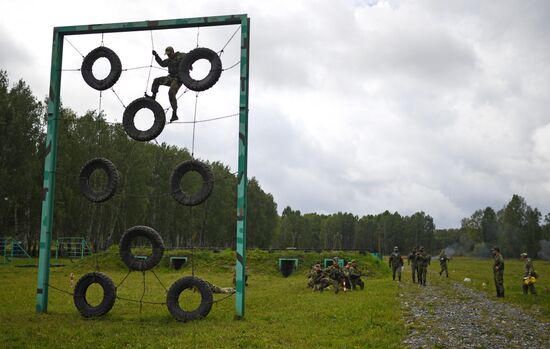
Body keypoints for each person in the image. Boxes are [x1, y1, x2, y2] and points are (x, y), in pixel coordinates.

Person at [146, 46, 187, 122]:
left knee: (171, 92)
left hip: (179, 78)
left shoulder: (181, 55)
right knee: (156, 80)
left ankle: (174, 113)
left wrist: (189, 65)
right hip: (170, 77)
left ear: (172, 52)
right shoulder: (168, 60)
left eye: (169, 54)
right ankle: (153, 96)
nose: (168, 55)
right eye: (167, 54)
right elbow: (162, 63)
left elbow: (189, 58)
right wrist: (156, 55)